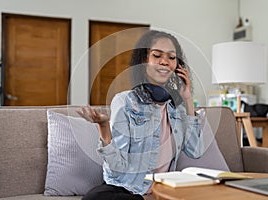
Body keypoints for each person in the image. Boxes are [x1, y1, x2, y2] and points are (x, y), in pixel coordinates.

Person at [77, 30, 204, 200]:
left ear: (178, 66)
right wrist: (104, 127)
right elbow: (116, 168)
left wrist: (187, 99)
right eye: (157, 55)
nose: (165, 62)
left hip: (163, 190)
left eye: (172, 57)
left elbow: (195, 151)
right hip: (127, 189)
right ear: (144, 61)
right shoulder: (125, 101)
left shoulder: (179, 109)